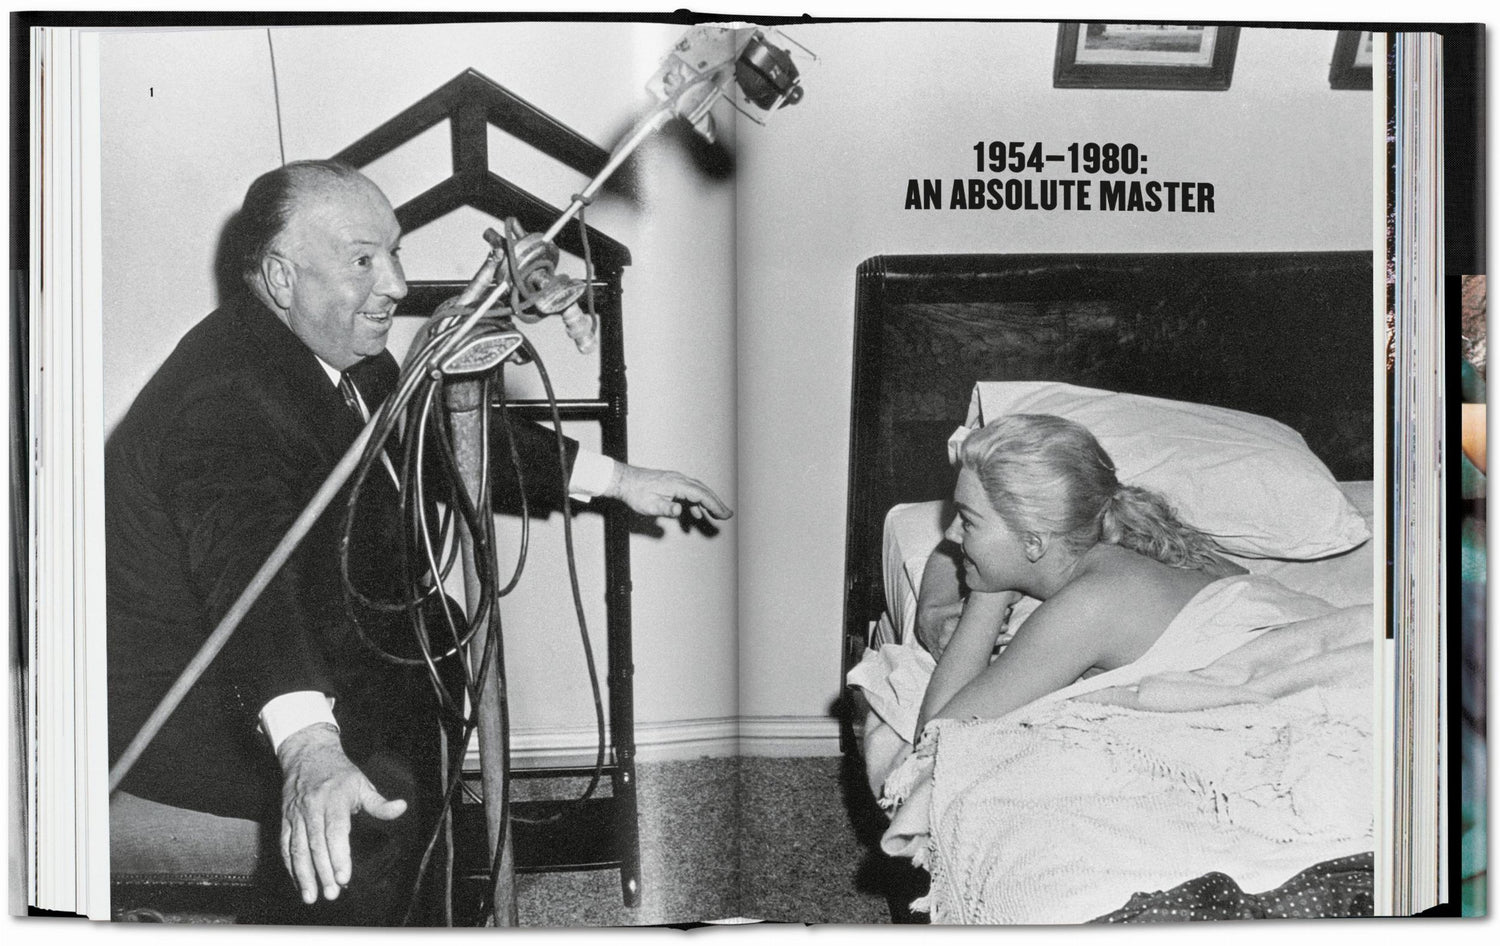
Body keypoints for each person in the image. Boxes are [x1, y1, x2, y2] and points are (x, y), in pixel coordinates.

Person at [106, 159, 730, 924]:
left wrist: (617, 479)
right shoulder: (224, 395)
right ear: (280, 276)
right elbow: (251, 580)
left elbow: (435, 441)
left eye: (394, 252)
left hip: (309, 630)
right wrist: (309, 747)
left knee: (431, 645)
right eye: (363, 261)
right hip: (190, 690)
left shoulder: (341, 354)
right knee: (377, 789)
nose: (397, 284)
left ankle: (431, 908)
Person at [914, 414, 1243, 731]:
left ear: (1033, 543)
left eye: (967, 521)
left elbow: (937, 736)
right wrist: (939, 603)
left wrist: (987, 595)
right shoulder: (1130, 546)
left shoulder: (1090, 604)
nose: (950, 534)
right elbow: (948, 553)